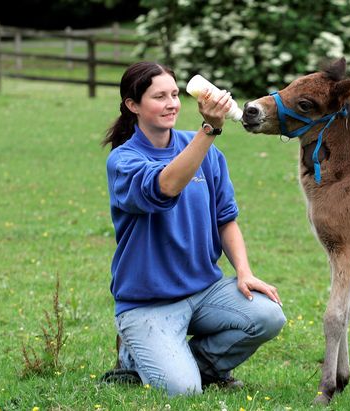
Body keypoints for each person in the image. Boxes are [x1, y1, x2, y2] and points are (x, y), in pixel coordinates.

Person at [100, 61, 286, 397]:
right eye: (159, 97)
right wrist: (208, 131)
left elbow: (225, 218)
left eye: (174, 94)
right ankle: (132, 357)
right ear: (133, 105)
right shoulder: (124, 161)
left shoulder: (207, 152)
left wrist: (244, 272)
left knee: (269, 315)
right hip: (148, 303)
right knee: (183, 391)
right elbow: (165, 187)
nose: (171, 103)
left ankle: (204, 366)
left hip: (204, 291)